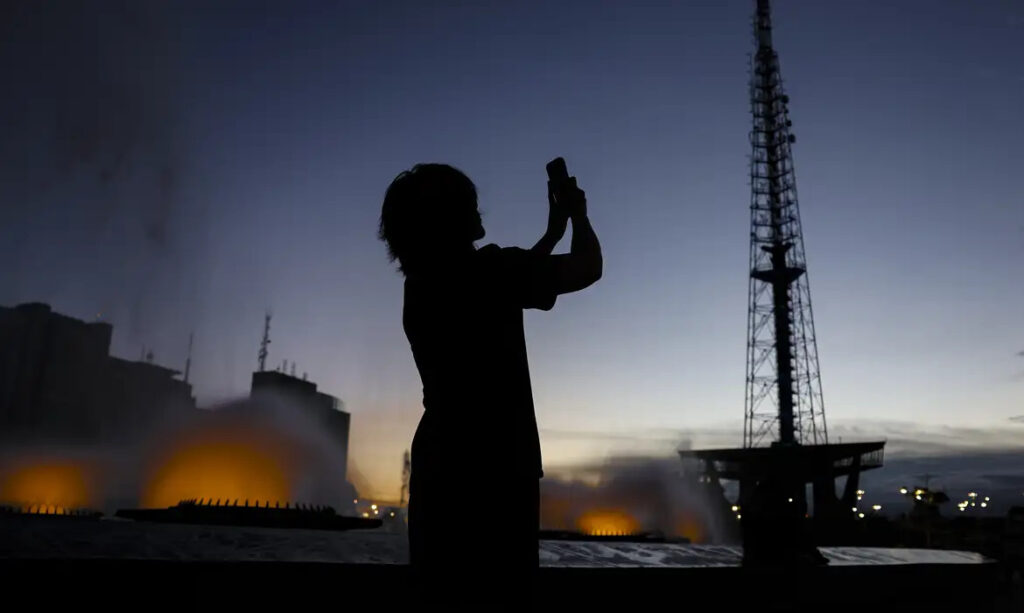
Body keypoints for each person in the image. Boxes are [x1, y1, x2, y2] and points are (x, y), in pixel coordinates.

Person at [377, 162, 602, 603]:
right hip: (500, 468)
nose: (480, 211)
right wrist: (578, 216)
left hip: (442, 465)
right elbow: (588, 267)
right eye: (470, 204)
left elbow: (514, 277)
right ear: (451, 217)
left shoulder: (422, 287)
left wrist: (552, 234)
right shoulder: (491, 272)